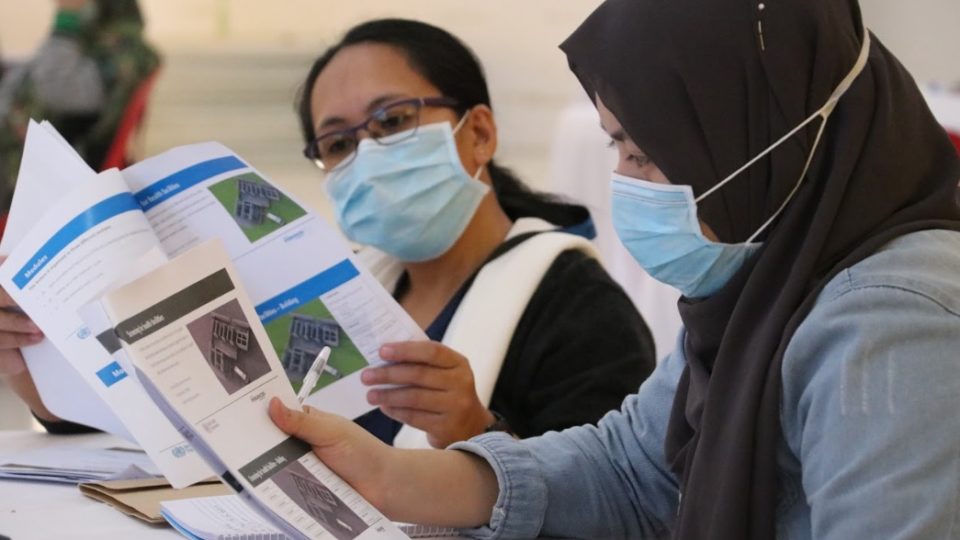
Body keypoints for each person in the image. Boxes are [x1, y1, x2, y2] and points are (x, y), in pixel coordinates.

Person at [267, 0, 960, 538]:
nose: (626, 179)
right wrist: (387, 475)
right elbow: (629, 468)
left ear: (754, 137)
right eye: (615, 147)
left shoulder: (892, 322)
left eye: (642, 148)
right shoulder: (762, 286)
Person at [297, 19, 656, 448]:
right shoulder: (340, 303)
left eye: (392, 120)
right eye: (338, 144)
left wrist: (475, 430)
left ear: (479, 134)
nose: (367, 157)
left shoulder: (581, 310)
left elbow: (617, 501)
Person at [0, 0, 160, 212]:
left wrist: (65, 21)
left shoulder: (123, 54)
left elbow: (56, 86)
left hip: (24, 177)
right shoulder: (95, 42)